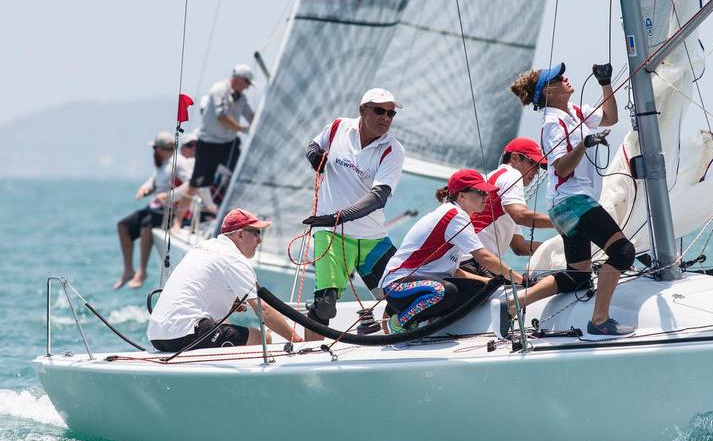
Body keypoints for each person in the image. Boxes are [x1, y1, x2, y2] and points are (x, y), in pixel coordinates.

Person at [507, 62, 637, 337]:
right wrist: (584, 144)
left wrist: (605, 83)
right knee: (622, 252)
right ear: (549, 91)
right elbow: (561, 168)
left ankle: (518, 301)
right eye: (558, 77)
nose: (565, 77)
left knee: (578, 276)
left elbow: (610, 118)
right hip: (573, 202)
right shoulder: (552, 124)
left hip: (565, 206)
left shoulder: (576, 112)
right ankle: (599, 320)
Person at [300, 88, 406, 326]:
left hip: (371, 236)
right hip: (331, 236)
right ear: (362, 110)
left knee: (400, 297)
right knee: (324, 306)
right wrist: (314, 156)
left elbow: (378, 198)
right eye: (379, 111)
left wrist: (335, 217)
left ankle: (389, 339)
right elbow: (313, 145)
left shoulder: (393, 150)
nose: (386, 118)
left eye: (391, 114)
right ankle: (309, 355)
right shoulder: (338, 126)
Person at [380, 169, 523, 334]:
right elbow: (483, 257)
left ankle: (424, 322)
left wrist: (488, 283)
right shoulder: (453, 215)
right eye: (481, 192)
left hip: (419, 286)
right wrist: (518, 279)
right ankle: (398, 323)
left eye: (486, 193)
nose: (486, 197)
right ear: (461, 196)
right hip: (396, 285)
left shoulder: (459, 215)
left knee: (480, 289)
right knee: (443, 291)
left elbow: (454, 271)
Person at [148, 208, 304, 352]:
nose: (260, 240)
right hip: (184, 333)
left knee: (224, 324)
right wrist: (298, 341)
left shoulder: (202, 247)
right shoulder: (234, 259)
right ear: (240, 234)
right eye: (256, 233)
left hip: (157, 335)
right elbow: (263, 310)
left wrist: (230, 302)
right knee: (260, 338)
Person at [173, 64, 256, 228]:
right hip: (209, 143)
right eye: (246, 83)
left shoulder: (241, 98)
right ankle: (177, 222)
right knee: (196, 183)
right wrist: (242, 129)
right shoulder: (219, 89)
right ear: (239, 79)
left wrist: (257, 127)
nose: (247, 87)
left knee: (239, 177)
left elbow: (251, 116)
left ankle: (239, 220)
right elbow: (222, 117)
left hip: (229, 143)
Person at [114, 132, 191, 289]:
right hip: (154, 206)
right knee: (123, 226)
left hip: (168, 209)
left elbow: (190, 184)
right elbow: (153, 180)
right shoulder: (162, 163)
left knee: (146, 225)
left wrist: (170, 196)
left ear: (161, 149)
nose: (154, 152)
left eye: (155, 148)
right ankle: (128, 270)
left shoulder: (179, 163)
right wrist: (145, 188)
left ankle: (142, 271)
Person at [467, 137, 552, 265]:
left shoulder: (499, 178)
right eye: (533, 163)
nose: (536, 171)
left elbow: (519, 246)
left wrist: (557, 248)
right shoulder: (511, 175)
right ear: (514, 158)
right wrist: (563, 223)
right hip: (473, 261)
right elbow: (521, 216)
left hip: (473, 260)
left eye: (539, 167)